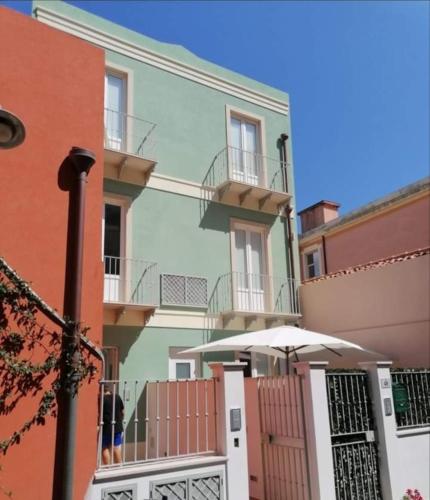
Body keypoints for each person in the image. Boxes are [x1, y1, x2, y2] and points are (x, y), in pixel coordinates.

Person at [101, 385, 124, 465]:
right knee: (116, 447)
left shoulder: (102, 399)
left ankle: (107, 468)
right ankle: (118, 467)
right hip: (117, 426)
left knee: (105, 447)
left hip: (106, 427)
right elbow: (123, 411)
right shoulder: (117, 397)